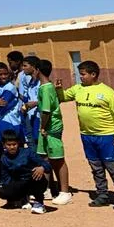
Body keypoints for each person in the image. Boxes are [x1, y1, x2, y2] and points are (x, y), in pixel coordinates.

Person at [57, 60, 114, 210]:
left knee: (113, 167)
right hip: (87, 136)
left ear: (93, 74)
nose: (81, 77)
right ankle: (102, 194)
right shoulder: (78, 89)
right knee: (96, 167)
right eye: (80, 74)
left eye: (83, 74)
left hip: (107, 136)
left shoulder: (108, 92)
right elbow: (63, 97)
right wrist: (59, 90)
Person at [35, 59, 71, 205]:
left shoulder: (46, 88)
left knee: (57, 159)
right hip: (45, 128)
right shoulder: (46, 87)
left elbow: (46, 111)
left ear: (37, 70)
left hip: (51, 128)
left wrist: (43, 127)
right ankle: (46, 188)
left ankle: (65, 191)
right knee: (44, 157)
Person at [0, 129, 50, 214]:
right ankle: (20, 199)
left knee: (36, 174)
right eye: (9, 145)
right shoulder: (4, 158)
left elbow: (47, 165)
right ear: (4, 145)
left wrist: (42, 168)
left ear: (18, 143)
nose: (12, 147)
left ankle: (39, 203)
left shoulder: (27, 153)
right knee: (2, 190)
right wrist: (9, 192)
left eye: (14, 144)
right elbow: (5, 177)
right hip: (19, 183)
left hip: (33, 180)